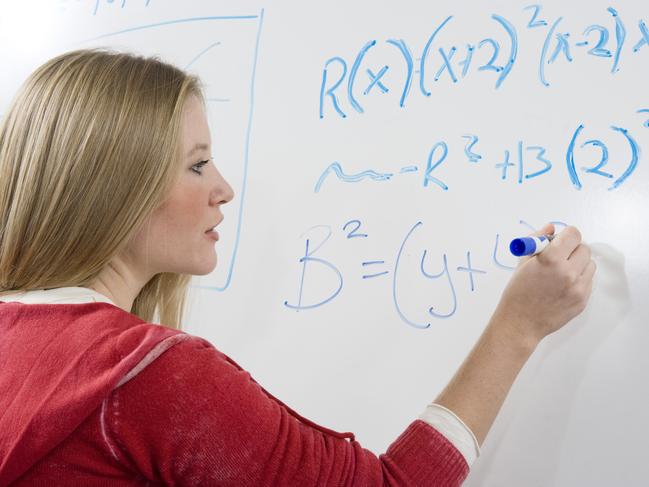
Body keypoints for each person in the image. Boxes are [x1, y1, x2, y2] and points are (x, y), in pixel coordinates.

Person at [0, 48, 596, 486]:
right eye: (198, 164)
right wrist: (518, 327)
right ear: (117, 187)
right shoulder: (147, 378)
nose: (224, 189)